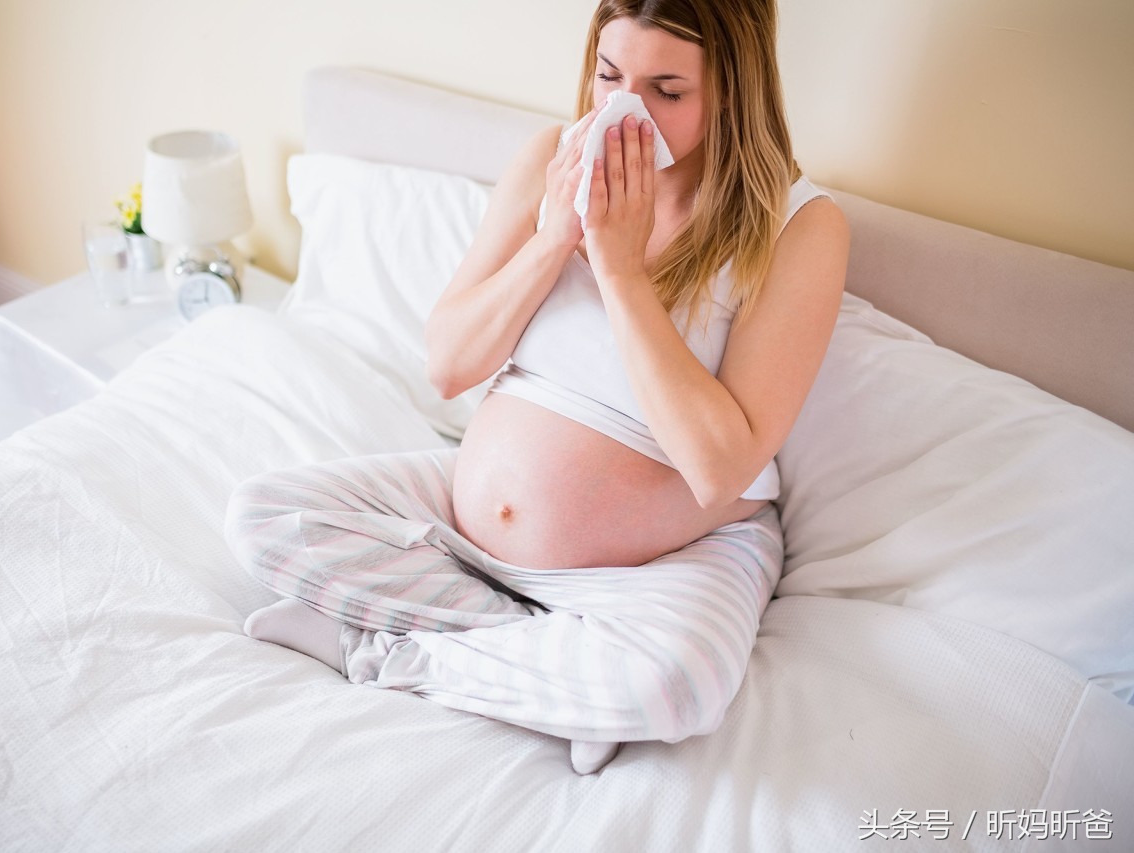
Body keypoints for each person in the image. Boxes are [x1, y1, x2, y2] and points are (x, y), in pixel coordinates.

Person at [225, 0, 849, 775]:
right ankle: (552, 669)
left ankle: (381, 649)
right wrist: (556, 236)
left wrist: (620, 270)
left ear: (734, 90)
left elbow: (719, 469)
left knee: (675, 687)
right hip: (472, 527)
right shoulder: (552, 160)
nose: (626, 111)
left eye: (667, 90)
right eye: (610, 76)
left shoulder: (797, 226)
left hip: (680, 554)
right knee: (264, 517)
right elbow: (448, 363)